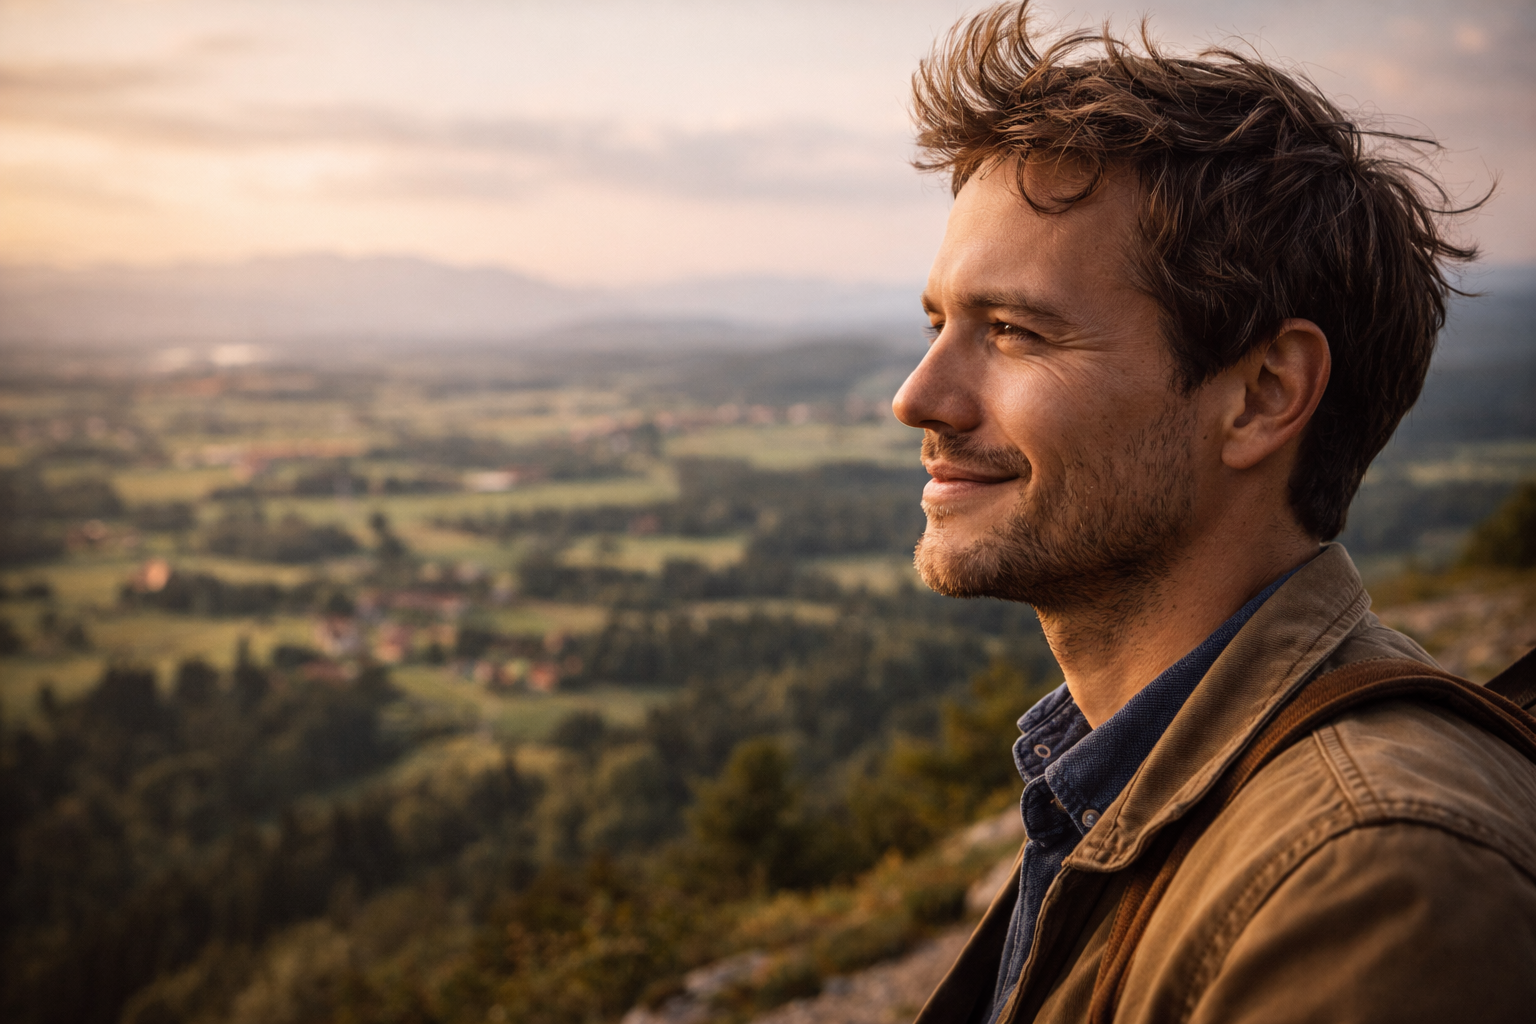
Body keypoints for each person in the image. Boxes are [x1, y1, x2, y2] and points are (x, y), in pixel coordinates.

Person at [891, 4, 1536, 1023]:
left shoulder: (1369, 875)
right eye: (939, 322)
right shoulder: (1125, 781)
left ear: (1265, 393)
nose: (919, 396)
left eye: (1013, 330)